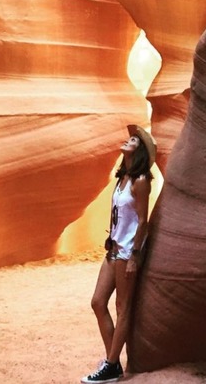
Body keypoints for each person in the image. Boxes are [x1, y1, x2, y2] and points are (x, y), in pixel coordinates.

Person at [81, 125, 156, 383]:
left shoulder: (141, 180)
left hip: (127, 253)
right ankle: (112, 361)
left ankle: (111, 365)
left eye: (134, 139)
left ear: (142, 150)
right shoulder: (122, 178)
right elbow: (121, 215)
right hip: (114, 249)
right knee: (97, 302)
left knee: (122, 307)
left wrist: (135, 255)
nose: (128, 140)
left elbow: (143, 221)